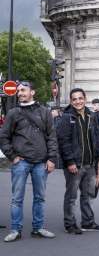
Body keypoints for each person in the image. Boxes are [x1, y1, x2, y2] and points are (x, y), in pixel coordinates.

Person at [0, 80, 58, 242]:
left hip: (41, 162)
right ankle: (15, 230)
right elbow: (3, 137)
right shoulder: (13, 113)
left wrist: (51, 158)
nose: (20, 93)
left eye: (23, 90)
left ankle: (38, 228)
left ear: (32, 92)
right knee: (17, 198)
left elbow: (52, 137)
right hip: (21, 163)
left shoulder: (45, 112)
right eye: (18, 91)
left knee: (40, 197)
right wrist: (13, 157)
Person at [56, 88, 99, 234]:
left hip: (90, 164)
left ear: (85, 99)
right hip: (75, 165)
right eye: (74, 99)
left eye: (80, 98)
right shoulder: (67, 117)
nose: (78, 101)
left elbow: (98, 138)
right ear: (71, 102)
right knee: (71, 197)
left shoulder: (92, 116)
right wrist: (70, 162)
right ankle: (70, 224)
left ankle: (88, 222)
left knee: (88, 195)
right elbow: (63, 141)